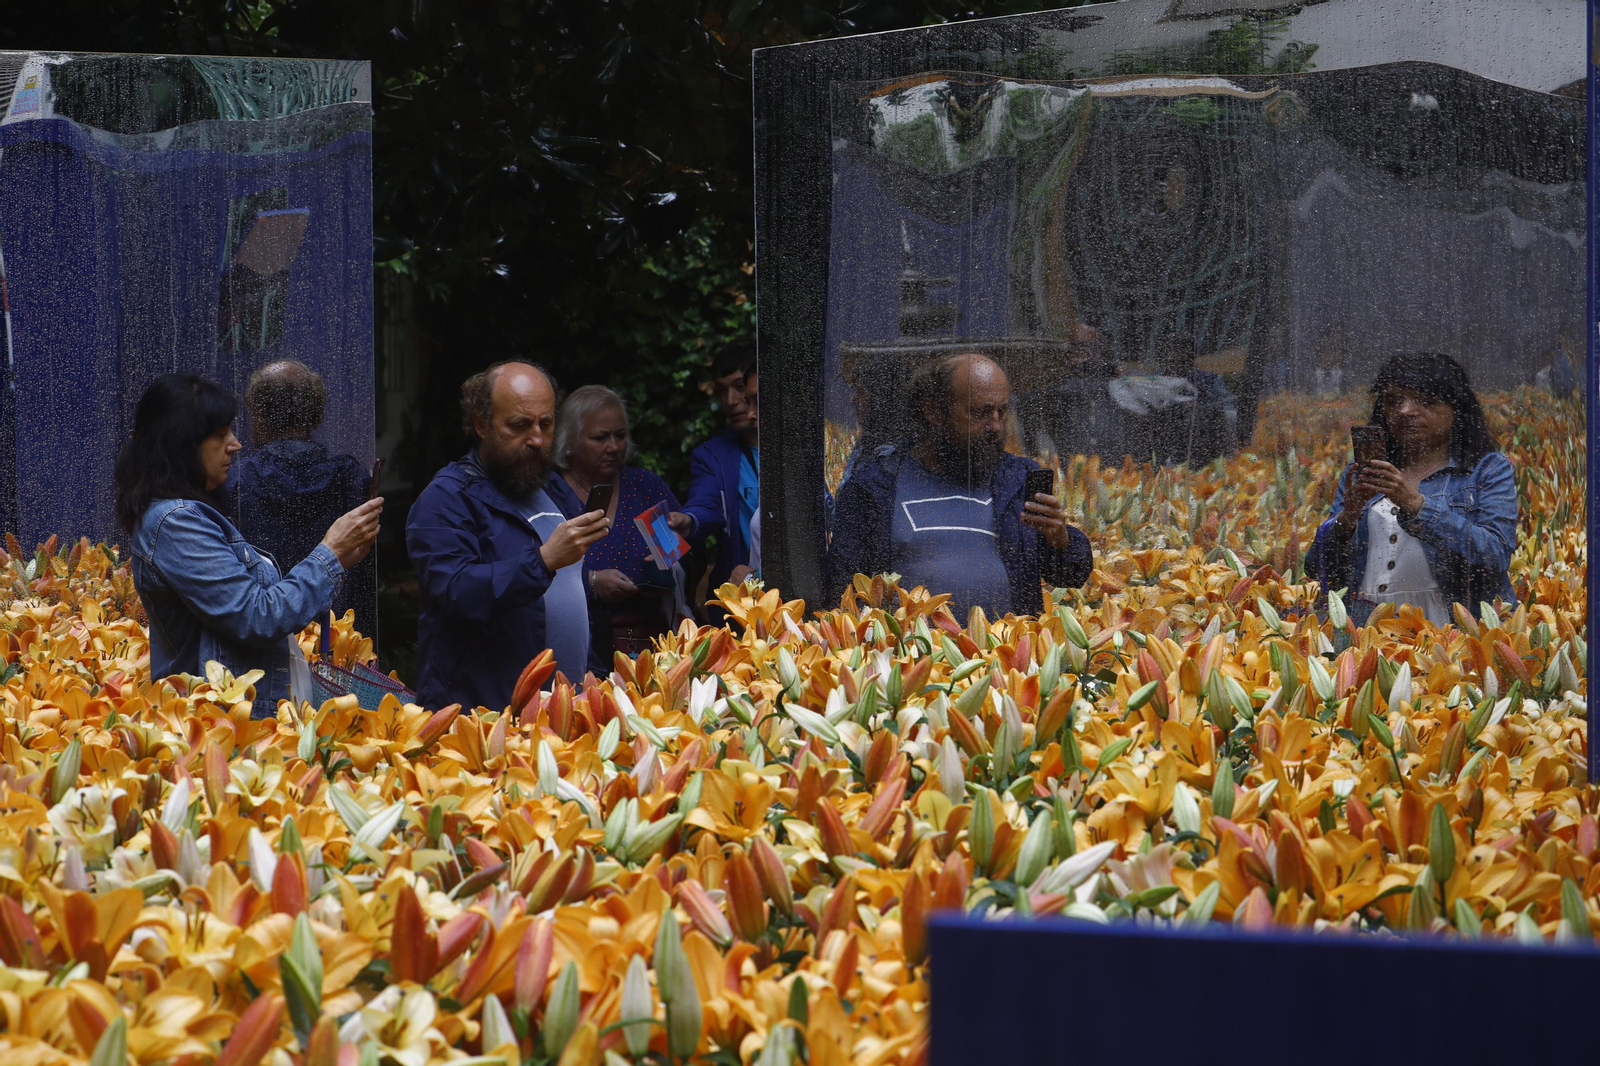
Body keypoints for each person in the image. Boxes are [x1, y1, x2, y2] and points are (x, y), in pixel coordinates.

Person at [117, 374, 381, 718]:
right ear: (181, 443)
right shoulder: (175, 522)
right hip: (224, 727)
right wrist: (329, 554)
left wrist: (341, 557)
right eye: (220, 434)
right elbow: (258, 616)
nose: (236, 444)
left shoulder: (188, 513)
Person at [406, 362, 609, 710]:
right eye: (520, 425)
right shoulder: (446, 499)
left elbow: (572, 599)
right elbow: (456, 590)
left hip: (566, 709)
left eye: (546, 424)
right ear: (481, 424)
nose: (536, 439)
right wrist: (543, 561)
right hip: (485, 718)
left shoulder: (553, 487)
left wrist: (595, 676)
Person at [828, 352, 1093, 617]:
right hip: (908, 655)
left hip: (1007, 654)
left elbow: (1069, 575)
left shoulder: (1019, 479)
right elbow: (842, 593)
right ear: (932, 410)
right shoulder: (874, 486)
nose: (995, 425)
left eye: (1002, 411)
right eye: (980, 412)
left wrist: (1061, 539)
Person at [1306, 352, 1517, 626]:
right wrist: (1347, 519)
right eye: (1394, 401)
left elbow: (1493, 556)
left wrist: (1413, 503)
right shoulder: (1362, 472)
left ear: (1456, 409)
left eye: (1425, 401)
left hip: (1452, 624)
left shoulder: (1486, 470)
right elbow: (1317, 568)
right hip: (1364, 624)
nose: (1405, 411)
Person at [231, 359, 374, 622]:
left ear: (262, 417)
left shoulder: (237, 480)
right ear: (315, 414)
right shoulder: (351, 478)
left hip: (262, 629)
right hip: (336, 634)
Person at [555, 385, 692, 656]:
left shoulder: (643, 486)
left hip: (655, 647)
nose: (614, 447)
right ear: (569, 442)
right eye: (600, 438)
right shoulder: (551, 495)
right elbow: (533, 569)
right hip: (582, 649)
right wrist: (591, 582)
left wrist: (666, 569)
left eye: (620, 436)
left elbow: (679, 557)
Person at [680, 341, 759, 589]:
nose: (731, 400)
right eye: (722, 391)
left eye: (739, 387)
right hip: (737, 597)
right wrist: (689, 520)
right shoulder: (712, 455)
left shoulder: (802, 448)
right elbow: (704, 504)